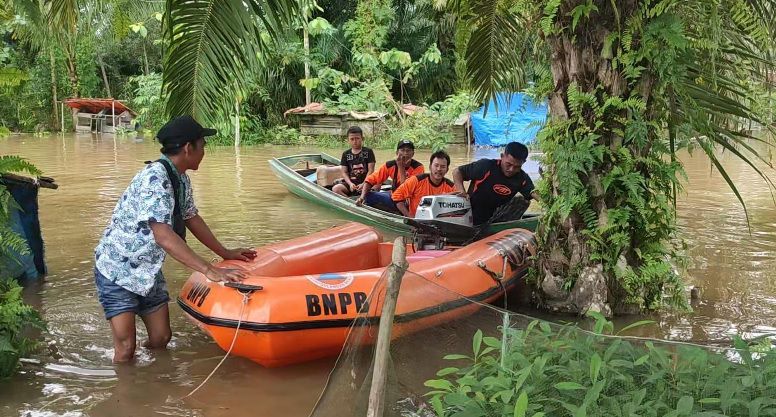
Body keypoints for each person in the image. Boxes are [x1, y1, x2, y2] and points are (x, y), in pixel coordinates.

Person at [93, 115, 257, 363]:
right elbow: (164, 236)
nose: (204, 151)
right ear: (188, 148)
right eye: (203, 145)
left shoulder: (179, 178)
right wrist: (209, 270)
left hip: (147, 270)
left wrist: (226, 252)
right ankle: (127, 395)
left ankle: (153, 381)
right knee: (126, 348)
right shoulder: (155, 178)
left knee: (161, 339)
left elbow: (191, 217)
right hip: (118, 269)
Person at [452, 141, 539, 225]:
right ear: (502, 156)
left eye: (517, 167)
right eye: (508, 164)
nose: (511, 169)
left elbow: (534, 193)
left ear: (523, 163)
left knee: (522, 201)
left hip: (496, 216)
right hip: (472, 212)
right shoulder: (486, 166)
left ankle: (498, 227)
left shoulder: (522, 178)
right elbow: (457, 172)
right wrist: (461, 191)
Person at [355, 139, 424, 212]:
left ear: (413, 153)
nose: (405, 153)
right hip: (394, 195)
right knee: (367, 194)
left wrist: (401, 167)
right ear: (397, 153)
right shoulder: (390, 165)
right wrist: (361, 197)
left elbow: (405, 191)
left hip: (408, 200)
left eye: (408, 150)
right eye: (402, 150)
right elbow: (370, 180)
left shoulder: (418, 167)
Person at [391, 150, 455, 218]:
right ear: (430, 167)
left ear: (447, 170)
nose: (439, 169)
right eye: (436, 165)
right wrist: (410, 218)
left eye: (443, 167)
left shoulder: (451, 187)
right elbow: (396, 197)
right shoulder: (416, 180)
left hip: (439, 223)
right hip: (416, 221)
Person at [332, 126, 376, 196]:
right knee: (336, 189)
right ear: (348, 140)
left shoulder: (368, 152)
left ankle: (365, 199)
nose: (355, 141)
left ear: (362, 139)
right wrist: (350, 184)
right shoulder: (346, 154)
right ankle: (349, 202)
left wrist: (364, 183)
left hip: (366, 182)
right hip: (351, 183)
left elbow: (371, 170)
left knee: (377, 185)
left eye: (357, 138)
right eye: (352, 139)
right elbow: (344, 172)